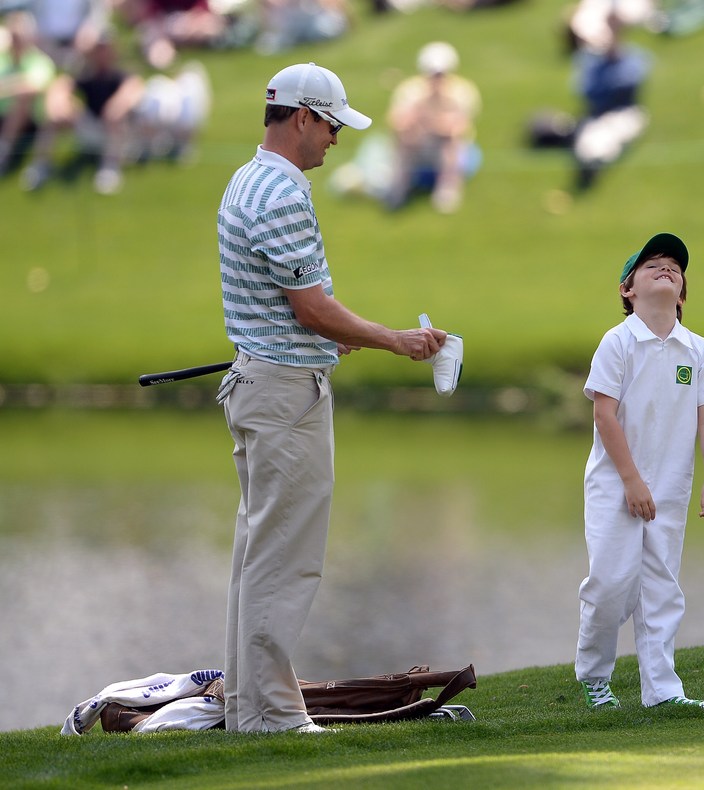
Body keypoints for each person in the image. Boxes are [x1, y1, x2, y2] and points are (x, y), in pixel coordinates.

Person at [215, 61, 447, 734]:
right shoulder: (283, 193)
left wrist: (324, 338)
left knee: (258, 557)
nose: (337, 141)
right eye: (332, 126)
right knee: (286, 562)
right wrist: (394, 340)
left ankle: (246, 706)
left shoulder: (246, 177)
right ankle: (272, 715)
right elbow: (312, 308)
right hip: (285, 397)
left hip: (265, 379)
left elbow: (289, 310)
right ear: (302, 118)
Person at [576, 232, 704, 712]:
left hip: (669, 488)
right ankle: (595, 676)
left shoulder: (696, 349)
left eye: (674, 267)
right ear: (628, 289)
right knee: (610, 583)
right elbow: (604, 414)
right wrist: (630, 481)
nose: (665, 269)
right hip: (616, 485)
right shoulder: (618, 342)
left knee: (662, 587)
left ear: (682, 293)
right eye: (652, 266)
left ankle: (663, 690)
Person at [21, 32, 143, 195]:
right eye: (98, 49)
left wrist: (117, 105)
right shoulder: (87, 74)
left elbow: (133, 88)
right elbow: (62, 85)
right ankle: (42, 164)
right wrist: (58, 104)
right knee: (54, 117)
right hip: (91, 128)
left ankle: (110, 168)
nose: (101, 53)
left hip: (119, 135)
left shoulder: (121, 75)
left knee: (115, 115)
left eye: (105, 49)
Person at [385, 41, 481, 213]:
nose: (437, 79)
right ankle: (399, 188)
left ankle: (447, 190)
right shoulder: (410, 91)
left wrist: (427, 119)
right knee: (406, 139)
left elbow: (457, 128)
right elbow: (397, 123)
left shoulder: (462, 92)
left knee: (450, 143)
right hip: (417, 143)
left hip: (445, 148)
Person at [571, 12, 651, 191]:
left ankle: (595, 164)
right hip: (596, 114)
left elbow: (629, 86)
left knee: (610, 137)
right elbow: (586, 91)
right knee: (589, 139)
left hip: (625, 113)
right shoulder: (590, 61)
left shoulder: (634, 57)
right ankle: (590, 164)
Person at [0, 12, 57, 178]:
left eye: (19, 36)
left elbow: (31, 87)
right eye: (13, 36)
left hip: (29, 120)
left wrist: (4, 87)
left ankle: (3, 153)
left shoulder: (40, 61)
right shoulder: (2, 59)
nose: (15, 41)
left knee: (23, 101)